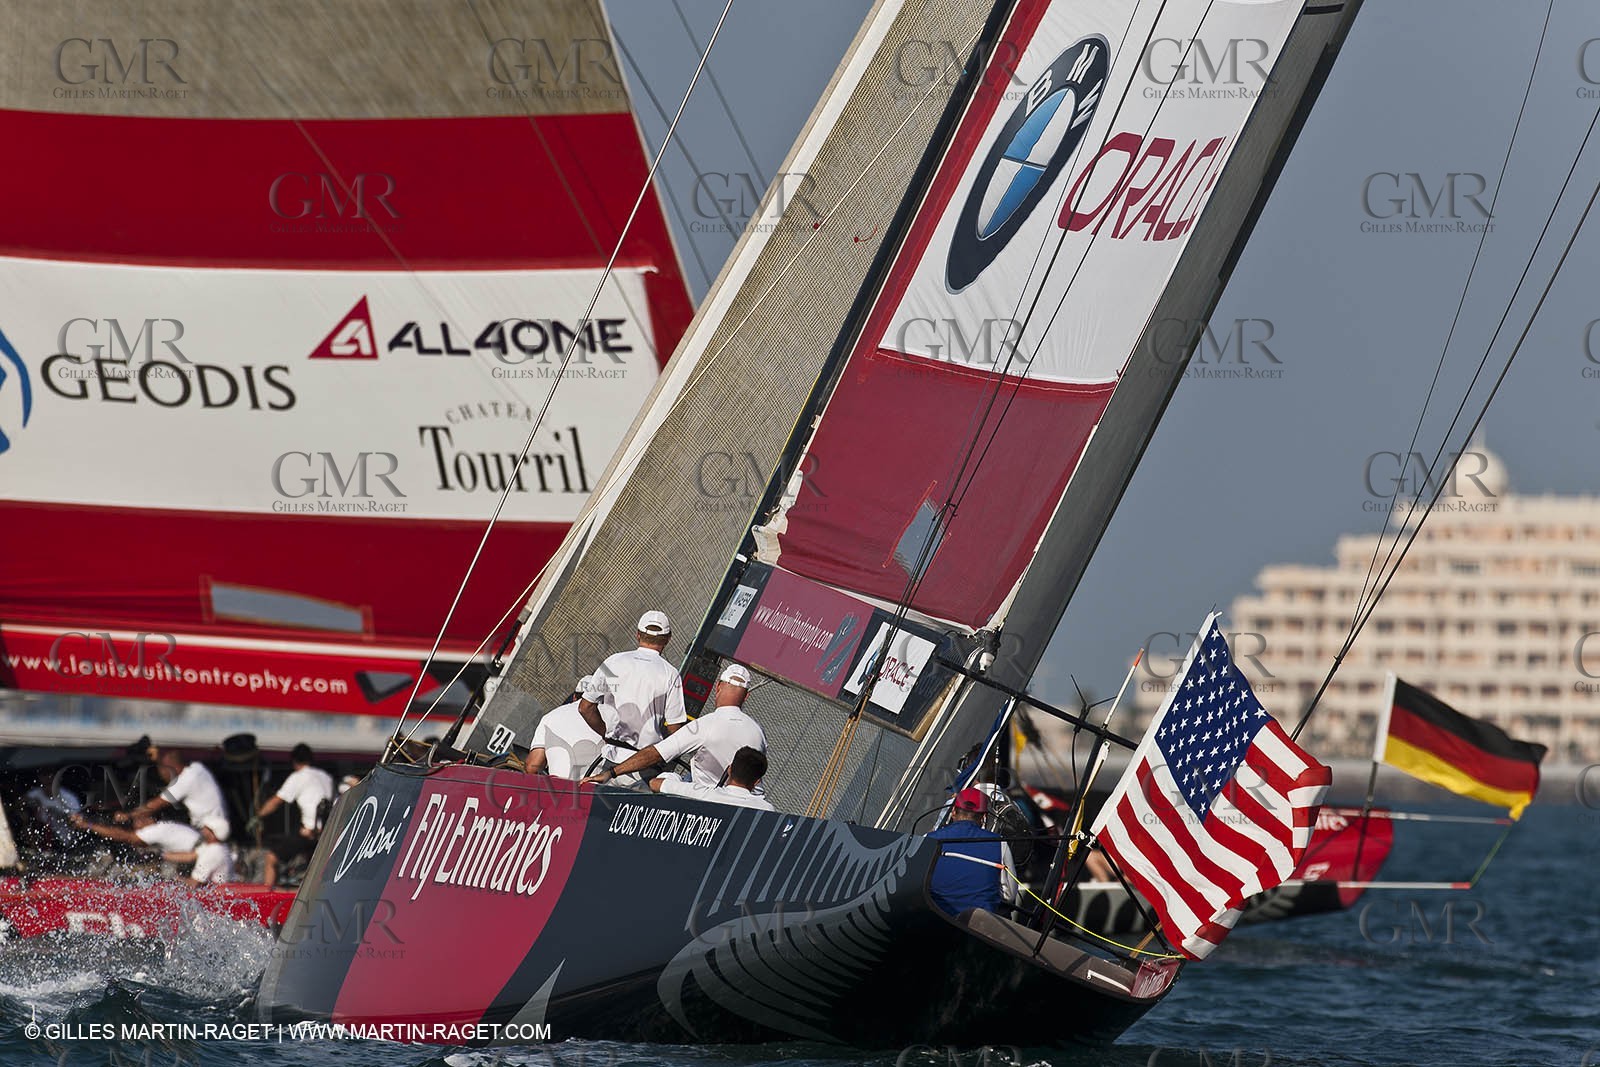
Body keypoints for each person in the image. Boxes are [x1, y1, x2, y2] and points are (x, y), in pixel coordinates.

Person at [587, 663, 765, 789]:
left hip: (709, 804)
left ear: (717, 687)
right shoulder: (758, 731)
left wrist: (612, 772)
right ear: (746, 696)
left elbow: (656, 754)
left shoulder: (705, 725)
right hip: (748, 804)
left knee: (666, 779)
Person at [593, 611, 688, 774]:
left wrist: (604, 733)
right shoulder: (670, 674)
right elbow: (675, 728)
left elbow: (585, 707)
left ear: (638, 635)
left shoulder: (613, 661)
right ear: (668, 638)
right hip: (645, 765)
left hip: (609, 757)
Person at [924, 788, 1019, 917]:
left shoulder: (927, 839)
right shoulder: (999, 843)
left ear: (953, 812)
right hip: (978, 927)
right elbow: (1009, 895)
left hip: (936, 920)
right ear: (984, 817)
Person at [253, 743, 336, 888]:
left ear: (294, 762)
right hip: (328, 833)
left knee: (271, 858)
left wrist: (258, 816)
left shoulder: (299, 776)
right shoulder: (326, 777)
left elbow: (276, 801)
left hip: (309, 833)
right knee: (314, 868)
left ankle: (267, 897)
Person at [117, 742, 231, 842]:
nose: (161, 777)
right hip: (215, 827)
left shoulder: (185, 781)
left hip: (209, 832)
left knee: (157, 831)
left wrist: (127, 816)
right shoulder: (197, 768)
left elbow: (153, 806)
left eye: (161, 771)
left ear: (169, 768)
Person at [528, 675, 616, 779]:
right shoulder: (614, 717)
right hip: (599, 790)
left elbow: (533, 767)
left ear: (574, 697)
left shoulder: (550, 717)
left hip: (558, 789)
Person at [650, 746, 775, 811]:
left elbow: (655, 784)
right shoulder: (766, 809)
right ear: (757, 781)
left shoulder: (704, 793)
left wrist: (673, 776)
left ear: (730, 770)